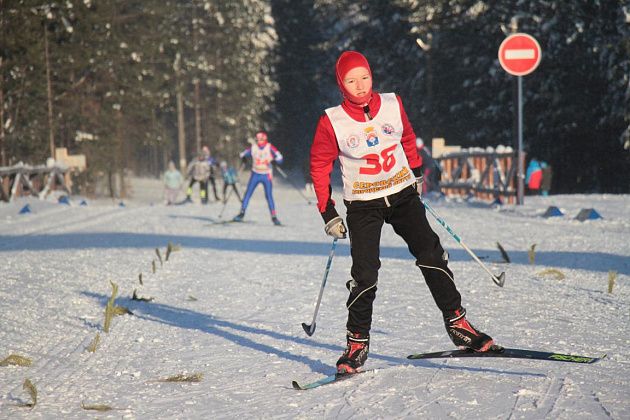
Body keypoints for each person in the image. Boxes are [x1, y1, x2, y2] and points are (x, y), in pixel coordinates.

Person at [310, 50, 494, 375]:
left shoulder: (392, 104)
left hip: (402, 196)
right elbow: (319, 165)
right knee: (365, 274)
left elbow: (407, 138)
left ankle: (458, 324)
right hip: (363, 205)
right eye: (351, 81)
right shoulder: (331, 121)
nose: (360, 86)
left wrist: (417, 172)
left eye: (364, 77)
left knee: (431, 254)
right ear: (341, 84)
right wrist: (328, 211)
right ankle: (356, 344)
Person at [232, 131, 284, 225]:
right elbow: (243, 154)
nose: (259, 141)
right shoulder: (254, 147)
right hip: (255, 174)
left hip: (266, 174)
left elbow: (280, 157)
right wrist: (244, 158)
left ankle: (274, 216)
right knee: (248, 193)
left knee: (268, 195)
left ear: (265, 139)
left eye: (260, 139)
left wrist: (275, 161)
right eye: (257, 139)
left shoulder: (269, 147)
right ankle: (241, 213)